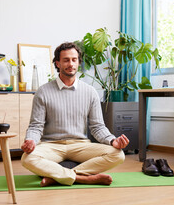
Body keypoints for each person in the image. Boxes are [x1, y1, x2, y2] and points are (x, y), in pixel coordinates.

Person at [21, 42, 130, 187]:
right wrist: (31, 141)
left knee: (118, 154)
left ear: (79, 62)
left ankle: (58, 177)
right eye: (66, 60)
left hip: (80, 145)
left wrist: (112, 141)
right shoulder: (43, 91)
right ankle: (83, 178)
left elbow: (97, 127)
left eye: (74, 59)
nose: (70, 64)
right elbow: (36, 126)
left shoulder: (90, 92)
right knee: (27, 159)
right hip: (51, 146)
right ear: (57, 63)